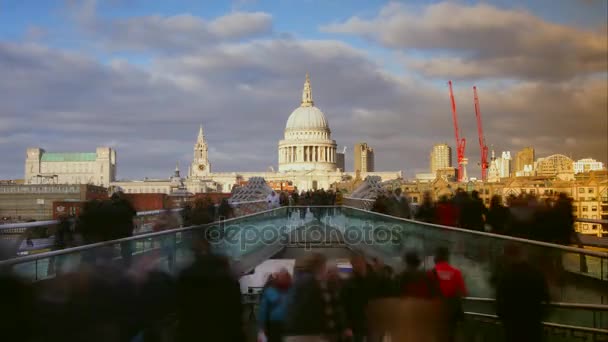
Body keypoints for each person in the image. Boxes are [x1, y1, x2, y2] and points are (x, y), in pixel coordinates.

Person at [176, 233, 245, 342]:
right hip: (225, 334)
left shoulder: (185, 276)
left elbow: (182, 311)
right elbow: (236, 312)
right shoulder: (227, 276)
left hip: (195, 335)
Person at [284, 253, 347, 342]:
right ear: (318, 266)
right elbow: (314, 309)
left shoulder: (299, 279)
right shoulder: (311, 282)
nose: (325, 270)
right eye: (324, 267)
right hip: (306, 333)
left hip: (295, 331)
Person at [494, 245, 549, 342]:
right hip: (532, 322)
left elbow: (499, 299)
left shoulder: (505, 275)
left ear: (509, 256)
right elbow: (546, 297)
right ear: (522, 255)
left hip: (512, 324)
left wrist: (503, 316)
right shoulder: (536, 273)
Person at [430, 247, 467, 342]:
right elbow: (464, 292)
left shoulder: (430, 273)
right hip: (452, 312)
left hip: (436, 311)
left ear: (436, 257)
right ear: (447, 257)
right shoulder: (456, 272)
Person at [341, 254, 376, 342]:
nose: (356, 265)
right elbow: (344, 306)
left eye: (358, 262)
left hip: (373, 324)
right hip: (356, 326)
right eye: (354, 263)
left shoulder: (375, 280)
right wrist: (346, 326)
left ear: (364, 262)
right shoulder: (348, 284)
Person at [258, 269, 292, 342]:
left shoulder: (269, 291)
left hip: (275, 324)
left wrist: (262, 328)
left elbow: (263, 311)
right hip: (288, 323)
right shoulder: (293, 291)